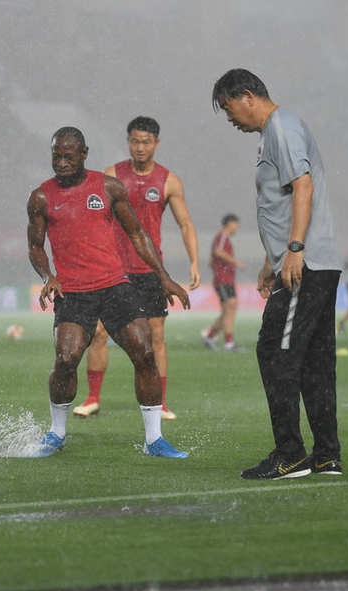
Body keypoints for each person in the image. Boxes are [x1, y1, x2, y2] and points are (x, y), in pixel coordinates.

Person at [27, 127, 191, 458]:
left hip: (115, 285)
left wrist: (163, 276)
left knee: (145, 352)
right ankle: (56, 433)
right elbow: (35, 245)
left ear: (84, 154)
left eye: (69, 157)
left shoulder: (109, 188)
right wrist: (48, 275)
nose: (61, 163)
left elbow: (136, 233)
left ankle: (154, 439)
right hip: (73, 292)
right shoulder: (41, 197)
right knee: (66, 359)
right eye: (56, 156)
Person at [212, 68, 343, 479]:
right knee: (314, 362)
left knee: (275, 351)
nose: (230, 119)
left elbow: (302, 187)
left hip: (307, 263)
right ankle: (326, 455)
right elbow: (284, 200)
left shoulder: (280, 127)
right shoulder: (280, 129)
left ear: (248, 96)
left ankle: (289, 452)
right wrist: (274, 258)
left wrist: (294, 251)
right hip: (314, 261)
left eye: (229, 108)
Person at [73, 116, 201, 421]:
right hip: (113, 269)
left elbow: (185, 224)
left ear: (156, 143)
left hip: (149, 271)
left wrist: (194, 261)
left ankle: (162, 403)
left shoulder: (169, 181)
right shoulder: (111, 175)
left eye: (146, 141)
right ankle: (92, 398)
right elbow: (91, 218)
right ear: (128, 141)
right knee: (100, 332)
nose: (140, 147)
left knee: (155, 335)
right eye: (134, 141)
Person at [202, 213, 245, 351]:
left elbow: (213, 256)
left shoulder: (222, 238)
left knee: (228, 309)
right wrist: (236, 262)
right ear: (230, 224)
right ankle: (228, 343)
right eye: (236, 225)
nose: (237, 228)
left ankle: (210, 336)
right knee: (230, 306)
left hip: (226, 279)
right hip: (223, 280)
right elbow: (218, 251)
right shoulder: (222, 237)